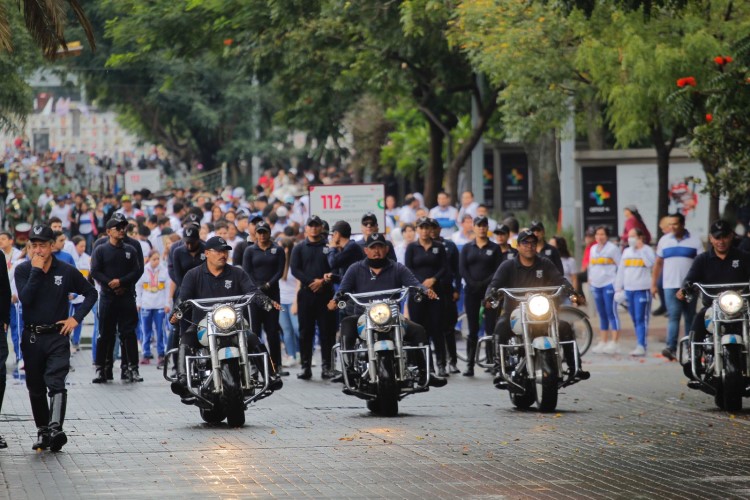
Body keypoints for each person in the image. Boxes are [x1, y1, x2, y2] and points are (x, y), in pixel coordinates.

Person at [15, 225, 96, 452]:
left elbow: (91, 292)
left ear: (52, 246)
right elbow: (26, 299)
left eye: (42, 245)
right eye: (34, 246)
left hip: (57, 335)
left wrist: (75, 318)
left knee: (56, 381)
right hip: (32, 336)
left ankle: (55, 428)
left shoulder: (66, 270)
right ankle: (43, 431)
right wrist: (36, 270)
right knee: (35, 386)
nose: (38, 250)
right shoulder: (23, 270)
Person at [170, 236, 282, 399]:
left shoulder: (238, 273)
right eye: (218, 251)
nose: (223, 255)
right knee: (186, 339)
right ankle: (182, 379)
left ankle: (271, 376)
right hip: (203, 324)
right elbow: (183, 297)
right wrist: (177, 311)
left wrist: (266, 301)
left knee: (253, 338)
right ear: (207, 253)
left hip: (233, 323)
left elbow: (252, 291)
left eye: (225, 251)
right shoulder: (193, 274)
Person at [328, 233, 446, 388]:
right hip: (363, 316)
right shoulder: (355, 268)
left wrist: (425, 291)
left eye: (380, 247)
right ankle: (348, 371)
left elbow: (414, 284)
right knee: (346, 324)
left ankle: (426, 373)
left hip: (393, 317)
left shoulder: (397, 268)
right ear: (366, 250)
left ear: (386, 249)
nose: (376, 251)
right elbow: (342, 289)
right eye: (373, 247)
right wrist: (335, 300)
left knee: (419, 330)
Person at [485, 229, 589, 384]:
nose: (529, 246)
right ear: (518, 246)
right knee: (500, 326)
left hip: (541, 313)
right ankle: (499, 369)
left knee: (564, 327)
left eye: (533, 243)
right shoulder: (508, 266)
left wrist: (572, 293)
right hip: (514, 313)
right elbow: (495, 284)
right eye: (525, 243)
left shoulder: (545, 263)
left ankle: (575, 367)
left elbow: (560, 280)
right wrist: (489, 296)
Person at [677, 220, 750, 378]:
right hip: (713, 306)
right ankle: (694, 358)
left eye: (724, 237)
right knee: (699, 319)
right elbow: (690, 279)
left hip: (741, 306)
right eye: (717, 237)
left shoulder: (744, 257)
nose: (721, 241)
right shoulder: (702, 259)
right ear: (711, 238)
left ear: (731, 236)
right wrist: (684, 289)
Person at [90, 217, 144, 383]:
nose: (121, 230)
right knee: (105, 334)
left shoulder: (131, 249)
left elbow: (136, 271)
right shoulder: (101, 249)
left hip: (126, 295)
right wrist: (110, 283)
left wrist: (122, 283)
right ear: (108, 231)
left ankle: (132, 368)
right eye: (117, 228)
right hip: (107, 296)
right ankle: (101, 369)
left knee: (128, 333)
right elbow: (95, 271)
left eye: (123, 227)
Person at [650, 213, 703, 361]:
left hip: (689, 287)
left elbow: (701, 263)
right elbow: (658, 264)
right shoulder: (664, 240)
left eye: (675, 224)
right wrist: (653, 284)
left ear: (682, 224)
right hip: (670, 286)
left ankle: (690, 348)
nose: (672, 227)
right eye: (670, 224)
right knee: (673, 316)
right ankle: (671, 347)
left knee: (689, 317)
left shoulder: (694, 241)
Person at [290, 215, 337, 379]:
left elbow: (335, 267)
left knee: (327, 331)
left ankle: (327, 366)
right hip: (306, 293)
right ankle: (306, 367)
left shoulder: (328, 247)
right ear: (306, 228)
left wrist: (322, 282)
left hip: (325, 294)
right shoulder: (299, 247)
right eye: (311, 225)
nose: (314, 228)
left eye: (317, 225)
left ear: (321, 227)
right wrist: (311, 282)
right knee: (305, 332)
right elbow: (295, 269)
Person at [459, 216, 502, 376]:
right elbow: (462, 269)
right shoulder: (467, 247)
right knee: (473, 329)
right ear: (474, 227)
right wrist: (473, 283)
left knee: (491, 328)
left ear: (488, 227)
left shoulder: (495, 248)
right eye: (479, 225)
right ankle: (470, 364)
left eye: (484, 225)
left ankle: (492, 362)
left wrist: (485, 284)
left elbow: (498, 270)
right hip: (471, 291)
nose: (482, 228)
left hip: (490, 292)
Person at [405, 217, 448, 376]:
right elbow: (408, 269)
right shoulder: (412, 247)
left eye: (427, 228)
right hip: (417, 293)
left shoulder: (439, 247)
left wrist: (433, 279)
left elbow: (444, 267)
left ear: (431, 229)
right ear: (417, 229)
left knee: (437, 328)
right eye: (421, 228)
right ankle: (424, 364)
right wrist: (422, 285)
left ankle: (441, 364)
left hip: (435, 292)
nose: (424, 231)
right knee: (418, 329)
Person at [242, 221, 286, 376]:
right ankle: (255, 364)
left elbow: (280, 271)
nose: (262, 235)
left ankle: (276, 364)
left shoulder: (278, 249)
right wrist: (256, 288)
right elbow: (246, 272)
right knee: (254, 331)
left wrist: (268, 284)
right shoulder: (250, 250)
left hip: (272, 293)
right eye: (259, 232)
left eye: (264, 232)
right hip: (255, 296)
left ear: (269, 233)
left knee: (272, 331)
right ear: (255, 234)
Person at [615, 228, 656, 356]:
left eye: (633, 236)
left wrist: (641, 249)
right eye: (629, 236)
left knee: (641, 318)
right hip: (629, 289)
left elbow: (650, 264)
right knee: (634, 318)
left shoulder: (647, 250)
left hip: (642, 289)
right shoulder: (626, 251)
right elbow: (621, 271)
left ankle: (641, 345)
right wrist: (618, 288)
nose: (630, 239)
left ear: (640, 237)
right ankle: (640, 343)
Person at [431, 218, 461, 375]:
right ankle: (436, 364)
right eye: (429, 228)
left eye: (434, 227)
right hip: (431, 291)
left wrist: (457, 289)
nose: (432, 231)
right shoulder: (422, 247)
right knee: (435, 328)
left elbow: (457, 270)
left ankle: (452, 361)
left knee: (449, 328)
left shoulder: (450, 245)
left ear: (439, 229)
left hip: (448, 290)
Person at [588, 226, 622, 354]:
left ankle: (615, 342)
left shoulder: (613, 249)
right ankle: (603, 341)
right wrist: (590, 279)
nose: (599, 237)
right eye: (597, 234)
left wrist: (618, 284)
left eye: (602, 234)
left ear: (607, 236)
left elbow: (621, 266)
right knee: (601, 314)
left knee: (611, 312)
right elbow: (591, 265)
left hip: (609, 284)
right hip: (596, 284)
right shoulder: (593, 248)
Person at [135, 250, 170, 366]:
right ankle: (146, 354)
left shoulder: (164, 270)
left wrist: (167, 304)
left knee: (160, 331)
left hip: (160, 305)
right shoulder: (143, 270)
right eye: (154, 259)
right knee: (146, 331)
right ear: (149, 259)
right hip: (146, 305)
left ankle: (161, 354)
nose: (156, 261)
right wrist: (138, 303)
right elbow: (138, 287)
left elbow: (168, 288)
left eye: (158, 259)